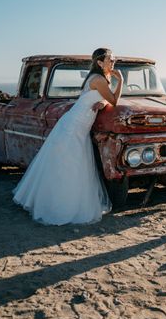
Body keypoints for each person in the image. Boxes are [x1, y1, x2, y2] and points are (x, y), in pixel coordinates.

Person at [13, 48, 122, 225]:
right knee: (68, 164)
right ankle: (59, 207)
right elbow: (114, 100)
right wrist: (122, 80)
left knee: (70, 163)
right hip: (75, 125)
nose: (114, 61)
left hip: (77, 124)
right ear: (100, 63)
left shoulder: (98, 78)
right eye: (110, 58)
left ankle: (56, 200)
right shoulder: (99, 79)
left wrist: (101, 102)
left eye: (114, 58)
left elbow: (96, 97)